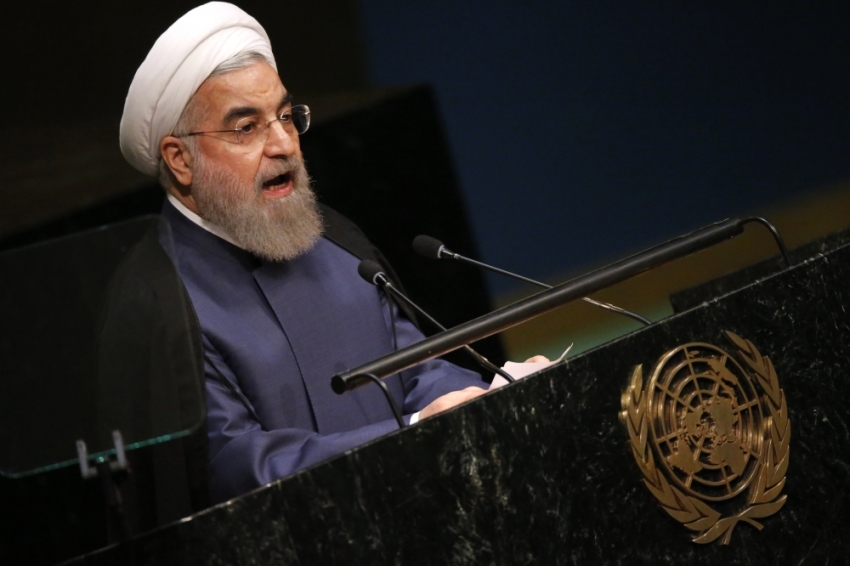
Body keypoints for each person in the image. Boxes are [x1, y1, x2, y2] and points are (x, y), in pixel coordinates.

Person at [119, 2, 490, 503]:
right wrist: (416, 430)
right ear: (179, 159)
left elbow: (418, 365)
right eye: (246, 127)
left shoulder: (333, 238)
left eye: (286, 117)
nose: (283, 145)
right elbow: (235, 466)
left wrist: (470, 398)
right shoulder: (156, 304)